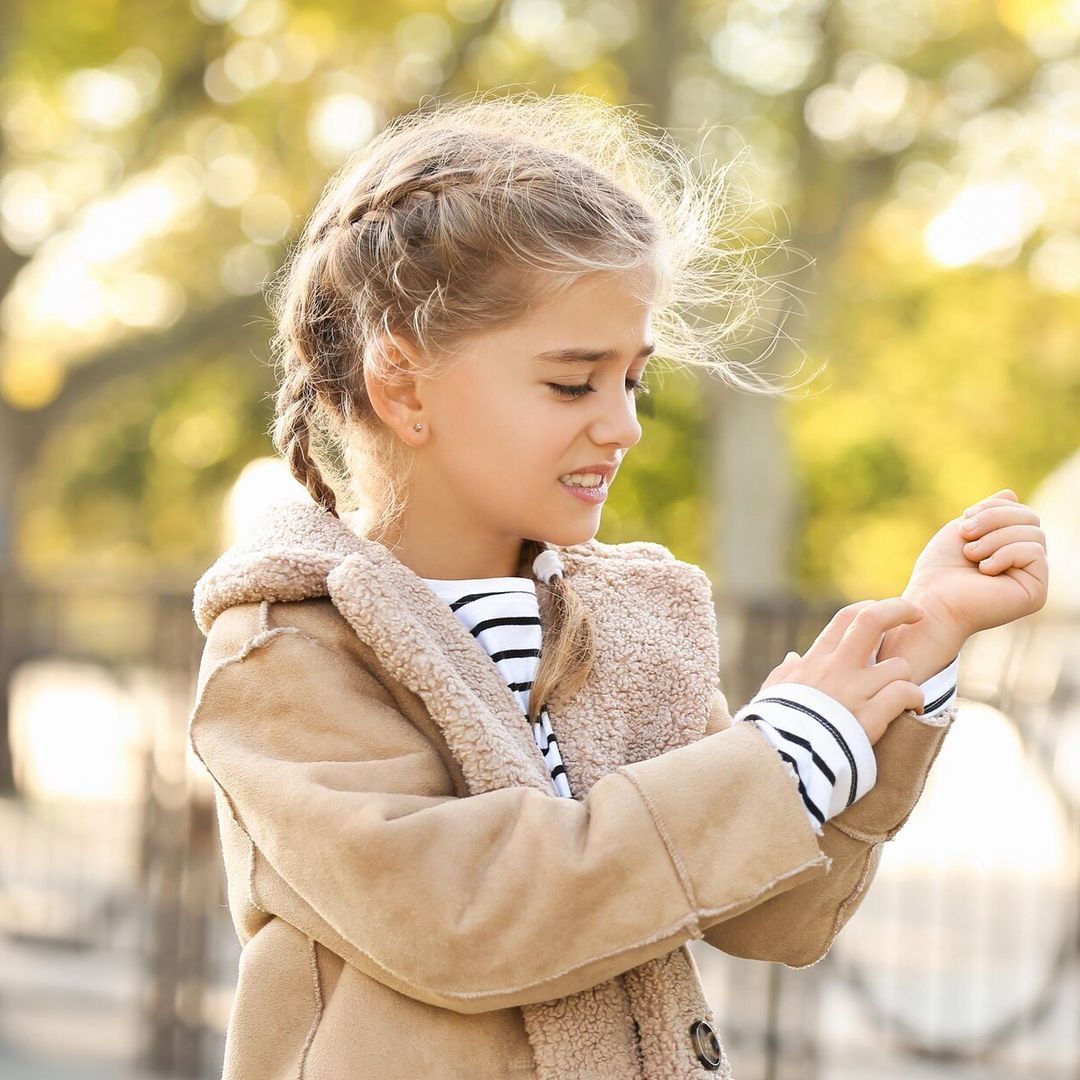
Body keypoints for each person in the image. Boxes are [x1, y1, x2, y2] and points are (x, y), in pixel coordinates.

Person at [188, 90, 1049, 1079]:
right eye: (573, 381)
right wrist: (780, 758)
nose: (624, 424)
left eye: (633, 379)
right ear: (404, 387)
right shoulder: (287, 652)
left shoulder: (636, 622)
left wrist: (915, 651)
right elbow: (469, 916)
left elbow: (771, 910)